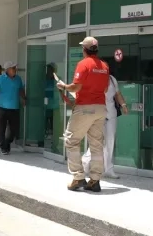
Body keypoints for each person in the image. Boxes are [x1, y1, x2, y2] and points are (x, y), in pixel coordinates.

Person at [57, 37, 109, 192]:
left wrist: (64, 86)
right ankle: (95, 180)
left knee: (71, 140)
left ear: (85, 50)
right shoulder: (104, 66)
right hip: (101, 108)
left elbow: (76, 87)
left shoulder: (83, 64)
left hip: (85, 107)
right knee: (96, 145)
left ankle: (78, 177)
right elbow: (105, 90)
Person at [82, 72, 128, 179]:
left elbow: (117, 94)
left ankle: (108, 169)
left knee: (110, 141)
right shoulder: (94, 79)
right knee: (96, 141)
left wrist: (124, 105)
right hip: (98, 114)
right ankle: (85, 162)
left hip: (111, 114)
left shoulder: (112, 79)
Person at [0, 61, 25, 155]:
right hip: (2, 108)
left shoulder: (18, 79)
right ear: (7, 70)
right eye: (13, 68)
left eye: (15, 68)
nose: (15, 70)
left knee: (14, 130)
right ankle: (3, 147)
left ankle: (7, 142)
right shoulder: (1, 79)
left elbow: (20, 89)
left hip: (14, 108)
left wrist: (24, 98)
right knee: (1, 128)